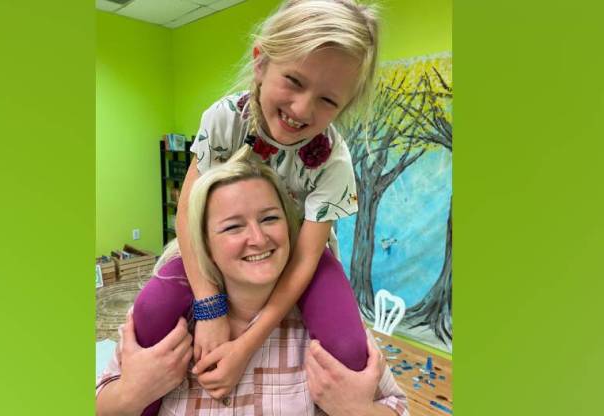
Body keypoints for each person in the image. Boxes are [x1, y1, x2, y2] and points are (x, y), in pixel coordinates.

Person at [133, 0, 380, 413]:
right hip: (212, 242)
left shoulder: (334, 161)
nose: (302, 110)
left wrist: (247, 343)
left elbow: (305, 259)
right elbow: (188, 212)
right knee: (152, 310)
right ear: (261, 62)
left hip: (297, 251)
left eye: (327, 100)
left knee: (348, 345)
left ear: (346, 105)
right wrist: (210, 308)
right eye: (294, 81)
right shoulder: (224, 120)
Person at [96, 157, 408, 415]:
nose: (258, 239)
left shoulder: (326, 328)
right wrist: (130, 394)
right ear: (203, 243)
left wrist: (357, 410)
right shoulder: (166, 324)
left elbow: (396, 406)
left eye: (270, 219)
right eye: (233, 226)